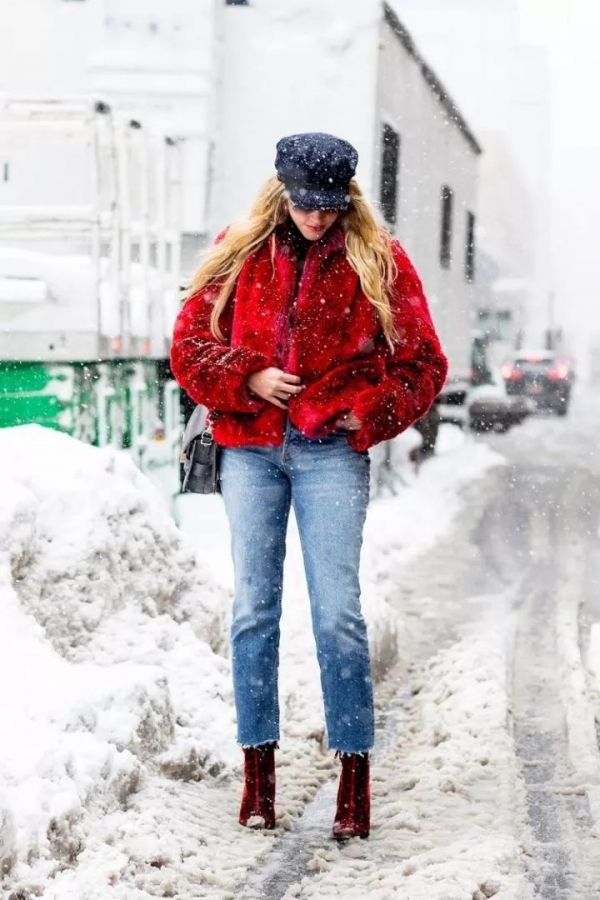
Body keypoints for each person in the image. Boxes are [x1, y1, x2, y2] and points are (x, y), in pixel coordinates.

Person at [170, 132, 448, 840]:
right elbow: (188, 347)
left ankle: (354, 781)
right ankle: (257, 779)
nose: (316, 219)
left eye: (327, 206)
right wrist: (248, 376)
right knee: (254, 611)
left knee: (337, 617)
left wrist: (371, 409)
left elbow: (423, 362)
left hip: (331, 453)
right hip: (251, 450)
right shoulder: (241, 249)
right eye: (304, 204)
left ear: (345, 198)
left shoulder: (379, 261)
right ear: (283, 191)